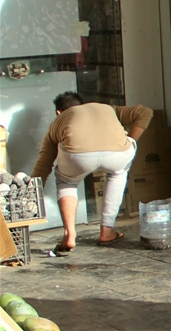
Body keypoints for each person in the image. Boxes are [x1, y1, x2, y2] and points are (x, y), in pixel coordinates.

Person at [31, 92, 153, 255]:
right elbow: (145, 113)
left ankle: (69, 233)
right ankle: (106, 231)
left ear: (59, 112)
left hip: (78, 157)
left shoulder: (59, 120)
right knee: (118, 172)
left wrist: (30, 196)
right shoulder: (107, 108)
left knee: (66, 181)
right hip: (116, 155)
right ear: (82, 104)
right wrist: (130, 140)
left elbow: (44, 164)